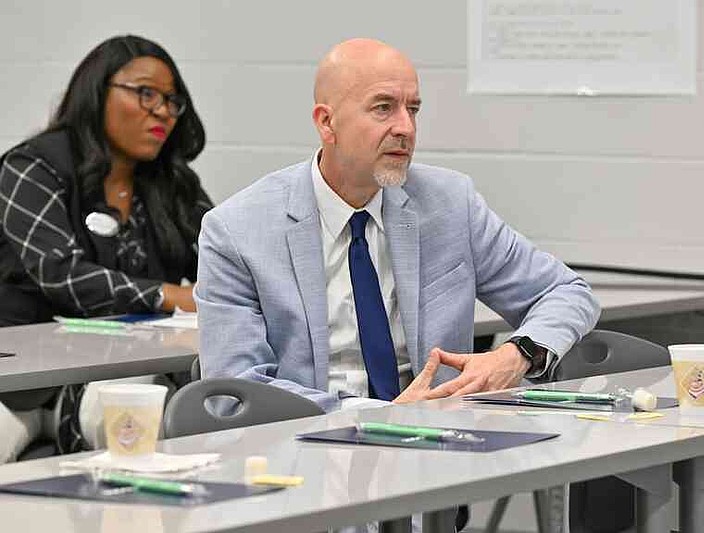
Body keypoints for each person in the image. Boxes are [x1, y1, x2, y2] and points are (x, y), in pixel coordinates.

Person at [196, 38, 600, 412]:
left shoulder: (450, 204)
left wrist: (516, 354)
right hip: (305, 448)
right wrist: (382, 415)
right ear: (326, 123)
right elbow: (235, 392)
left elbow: (566, 292)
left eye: (413, 109)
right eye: (383, 108)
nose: (406, 128)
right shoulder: (237, 230)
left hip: (440, 443)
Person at [0, 35, 211, 462]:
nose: (162, 111)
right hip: (18, 383)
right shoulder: (32, 166)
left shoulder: (172, 183)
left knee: (149, 435)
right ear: (96, 92)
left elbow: (225, 260)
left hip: (119, 372)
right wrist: (169, 295)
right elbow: (61, 274)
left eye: (172, 101)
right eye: (146, 93)